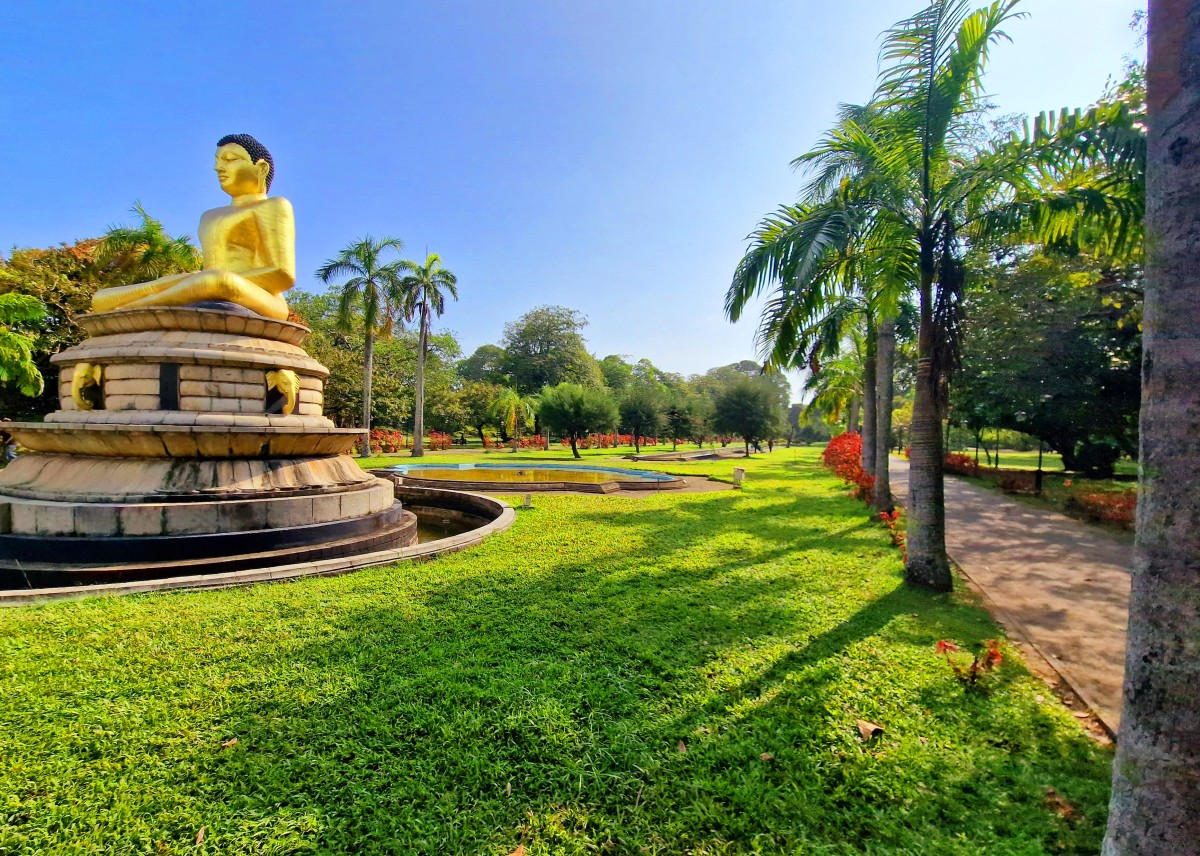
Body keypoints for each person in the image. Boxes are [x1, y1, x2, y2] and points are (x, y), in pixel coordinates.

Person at [91, 134, 296, 320]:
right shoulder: (208, 216)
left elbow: (282, 275)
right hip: (205, 285)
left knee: (213, 280)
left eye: (230, 159)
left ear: (261, 168)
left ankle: (135, 310)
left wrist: (211, 280)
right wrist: (191, 281)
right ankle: (127, 307)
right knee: (101, 299)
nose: (218, 167)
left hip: (261, 296)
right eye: (217, 160)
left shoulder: (273, 206)